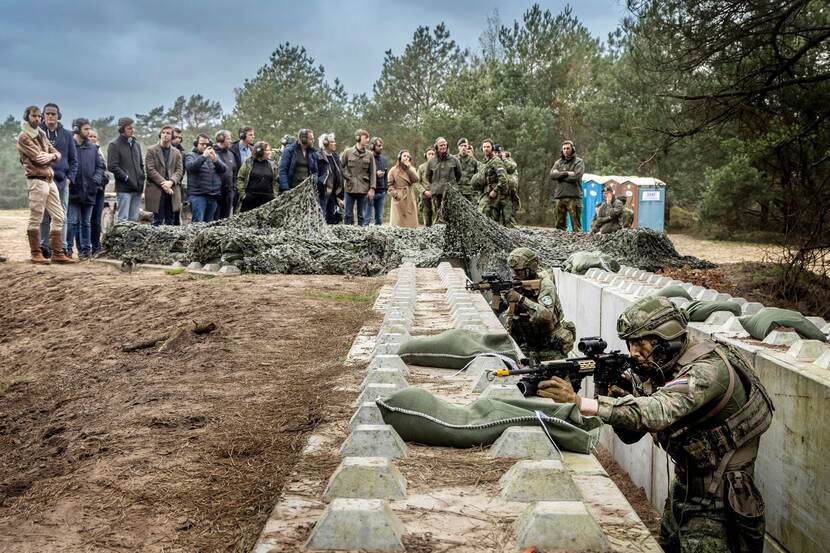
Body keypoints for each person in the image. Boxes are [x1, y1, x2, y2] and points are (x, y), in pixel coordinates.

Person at [538, 295, 773, 553]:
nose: (633, 354)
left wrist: (582, 402)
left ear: (664, 340)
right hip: (686, 484)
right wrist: (626, 391)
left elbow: (657, 411)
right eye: (630, 345)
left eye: (640, 345)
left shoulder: (707, 370)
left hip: (720, 496)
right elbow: (632, 435)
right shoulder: (665, 365)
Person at [491, 247, 574, 360]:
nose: (515, 274)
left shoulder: (545, 285)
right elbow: (495, 312)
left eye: (519, 270)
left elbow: (546, 316)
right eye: (513, 270)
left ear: (531, 268)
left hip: (550, 346)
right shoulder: (515, 285)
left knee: (555, 376)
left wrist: (521, 299)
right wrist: (497, 297)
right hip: (527, 345)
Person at [17, 105, 75, 264]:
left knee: (59, 215)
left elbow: (55, 153)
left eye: (38, 116)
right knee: (36, 216)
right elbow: (37, 157)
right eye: (33, 116)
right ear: (27, 117)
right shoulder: (24, 137)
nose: (37, 119)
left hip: (50, 180)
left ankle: (57, 252)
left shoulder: (41, 133)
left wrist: (52, 156)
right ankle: (36, 253)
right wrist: (53, 156)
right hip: (36, 179)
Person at [39, 102, 78, 257]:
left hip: (62, 182)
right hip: (42, 179)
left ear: (58, 116)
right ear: (43, 115)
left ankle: (61, 248)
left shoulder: (67, 135)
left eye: (53, 114)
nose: (50, 116)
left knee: (61, 215)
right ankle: (43, 247)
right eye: (47, 113)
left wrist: (70, 178)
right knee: (43, 215)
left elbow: (74, 160)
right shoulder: (37, 133)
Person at [67, 118, 106, 258]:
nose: (89, 132)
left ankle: (85, 251)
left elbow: (100, 167)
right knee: (72, 222)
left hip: (89, 191)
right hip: (73, 191)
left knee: (86, 223)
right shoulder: (68, 145)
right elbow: (66, 165)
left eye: (90, 129)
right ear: (77, 129)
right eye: (86, 129)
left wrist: (95, 180)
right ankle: (68, 250)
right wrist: (69, 180)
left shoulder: (93, 148)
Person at [107, 117, 146, 223]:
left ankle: (131, 240)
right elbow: (112, 166)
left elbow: (141, 164)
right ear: (122, 129)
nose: (132, 130)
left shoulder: (136, 144)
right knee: (123, 220)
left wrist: (142, 177)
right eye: (129, 128)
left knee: (134, 220)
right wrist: (126, 177)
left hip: (137, 188)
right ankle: (120, 240)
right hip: (124, 188)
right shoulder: (114, 145)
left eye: (133, 128)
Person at [145, 126, 184, 226]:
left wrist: (171, 182)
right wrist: (164, 184)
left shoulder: (176, 152)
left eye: (168, 133)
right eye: (163, 133)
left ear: (172, 137)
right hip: (157, 189)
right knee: (157, 221)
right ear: (160, 134)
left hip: (173, 190)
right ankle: (154, 241)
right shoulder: (151, 150)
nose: (165, 135)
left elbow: (179, 170)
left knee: (170, 221)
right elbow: (150, 170)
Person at [185, 133, 226, 222]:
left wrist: (215, 160)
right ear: (196, 144)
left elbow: (223, 169)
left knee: (209, 225)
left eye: (206, 144)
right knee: (197, 224)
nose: (204, 146)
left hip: (213, 196)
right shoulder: (190, 155)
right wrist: (203, 156)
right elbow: (190, 168)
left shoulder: (214, 155)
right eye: (202, 144)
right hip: (198, 196)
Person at [341, 129, 376, 226]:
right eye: (366, 138)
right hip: (349, 188)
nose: (368, 140)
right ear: (358, 138)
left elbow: (372, 173)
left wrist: (372, 189)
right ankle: (346, 234)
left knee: (362, 215)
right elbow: (341, 167)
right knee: (348, 215)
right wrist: (348, 177)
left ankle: (361, 236)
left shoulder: (369, 155)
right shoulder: (347, 152)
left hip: (363, 189)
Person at [549, 140, 585, 231]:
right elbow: (552, 175)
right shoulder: (558, 162)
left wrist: (559, 176)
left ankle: (578, 244)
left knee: (576, 226)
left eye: (568, 148)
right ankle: (560, 244)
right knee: (559, 226)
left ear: (572, 149)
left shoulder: (579, 162)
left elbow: (576, 177)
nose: (566, 150)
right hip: (560, 196)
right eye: (564, 148)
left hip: (574, 197)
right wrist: (566, 173)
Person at [425, 136, 461, 223]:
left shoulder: (454, 160)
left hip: (451, 193)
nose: (443, 147)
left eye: (445, 145)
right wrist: (436, 185)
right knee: (439, 217)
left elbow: (459, 175)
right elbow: (428, 177)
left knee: (452, 217)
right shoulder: (431, 162)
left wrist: (452, 185)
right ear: (436, 147)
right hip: (437, 194)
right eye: (441, 145)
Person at [236, 141, 279, 212]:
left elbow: (276, 181)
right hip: (250, 200)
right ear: (259, 151)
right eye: (267, 150)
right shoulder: (248, 162)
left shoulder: (272, 164)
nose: (269, 152)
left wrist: (274, 196)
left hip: (267, 200)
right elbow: (240, 179)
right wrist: (243, 195)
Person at [474, 139, 509, 224]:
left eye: (488, 147)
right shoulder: (485, 161)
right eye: (484, 147)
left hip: (492, 194)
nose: (486, 149)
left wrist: (495, 190)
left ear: (492, 148)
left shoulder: (496, 161)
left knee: (484, 215)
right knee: (485, 217)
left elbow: (504, 179)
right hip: (484, 193)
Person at [87, 128, 109, 254]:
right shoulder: (82, 151)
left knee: (96, 220)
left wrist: (103, 181)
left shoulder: (100, 152)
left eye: (94, 136)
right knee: (86, 220)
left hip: (100, 190)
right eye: (90, 136)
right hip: (88, 190)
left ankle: (96, 245)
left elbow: (104, 171)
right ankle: (86, 246)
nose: (92, 138)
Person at [387, 149, 420, 228]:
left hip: (409, 197)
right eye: (404, 156)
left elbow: (416, 179)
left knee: (411, 223)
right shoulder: (393, 170)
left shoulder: (412, 169)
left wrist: (408, 169)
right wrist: (396, 195)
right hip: (399, 197)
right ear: (400, 157)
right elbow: (389, 185)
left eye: (408, 156)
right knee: (398, 223)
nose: (406, 158)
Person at [316, 133, 344, 224]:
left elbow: (339, 175)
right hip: (323, 193)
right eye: (332, 142)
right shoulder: (317, 156)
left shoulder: (335, 157)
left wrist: (339, 195)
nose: (335, 143)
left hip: (333, 194)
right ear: (325, 143)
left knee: (332, 219)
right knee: (321, 218)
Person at [279, 128, 318, 193]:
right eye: (311, 139)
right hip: (291, 189)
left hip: (306, 190)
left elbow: (315, 171)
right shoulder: (289, 151)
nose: (313, 141)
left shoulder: (312, 152)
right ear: (304, 139)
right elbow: (282, 170)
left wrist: (314, 181)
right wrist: (285, 188)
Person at [214, 130, 237, 219]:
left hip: (228, 193)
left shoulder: (231, 154)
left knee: (225, 220)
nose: (230, 141)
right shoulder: (212, 153)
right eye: (228, 138)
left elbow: (234, 172)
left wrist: (233, 189)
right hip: (216, 193)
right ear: (221, 139)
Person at [368, 137, 388, 225]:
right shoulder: (367, 158)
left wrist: (385, 189)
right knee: (366, 218)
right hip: (370, 192)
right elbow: (363, 175)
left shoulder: (384, 160)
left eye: (382, 145)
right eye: (379, 146)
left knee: (379, 219)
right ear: (372, 146)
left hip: (381, 192)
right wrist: (375, 175)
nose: (381, 147)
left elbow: (386, 176)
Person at [414, 147, 435, 226]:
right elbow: (416, 182)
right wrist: (424, 191)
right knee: (427, 217)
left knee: (437, 217)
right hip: (425, 196)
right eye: (429, 154)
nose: (431, 155)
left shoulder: (439, 166)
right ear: (426, 155)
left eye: (433, 154)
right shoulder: (421, 167)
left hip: (436, 195)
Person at [455, 138, 479, 204]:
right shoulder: (453, 160)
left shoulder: (473, 161)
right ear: (458, 147)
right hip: (456, 192)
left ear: (467, 147)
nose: (463, 148)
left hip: (469, 194)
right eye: (461, 146)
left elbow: (477, 178)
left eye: (465, 146)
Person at [502, 149, 520, 228]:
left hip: (508, 193)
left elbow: (511, 169)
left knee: (508, 218)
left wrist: (504, 159)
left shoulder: (510, 162)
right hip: (497, 194)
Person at [171, 127, 185, 224]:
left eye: (180, 138)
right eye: (176, 137)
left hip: (177, 186)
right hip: (163, 186)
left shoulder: (182, 153)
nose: (178, 139)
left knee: (176, 214)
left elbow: (182, 171)